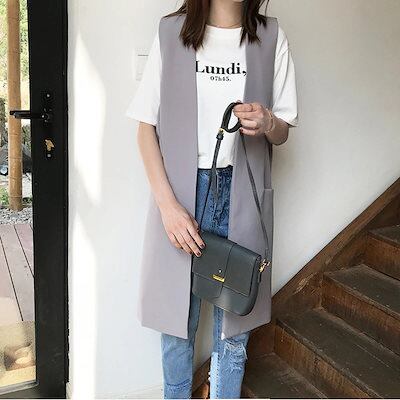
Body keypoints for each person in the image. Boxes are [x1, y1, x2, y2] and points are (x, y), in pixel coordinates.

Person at [125, 0, 298, 398]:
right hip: (183, 195)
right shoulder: (172, 33)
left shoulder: (271, 36)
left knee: (234, 332)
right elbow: (145, 128)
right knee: (176, 326)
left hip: (243, 194)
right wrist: (167, 207)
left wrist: (268, 121)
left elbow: (283, 131)